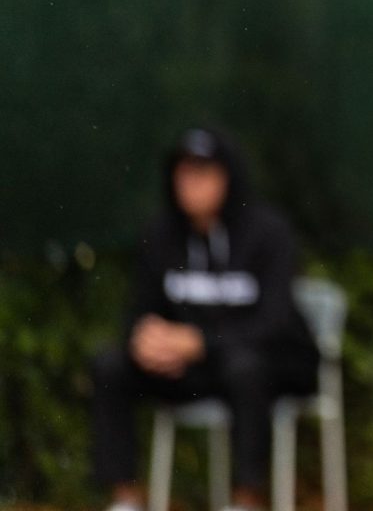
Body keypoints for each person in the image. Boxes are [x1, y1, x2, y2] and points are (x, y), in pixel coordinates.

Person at [90, 128, 319, 511]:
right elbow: (138, 311)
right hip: (186, 372)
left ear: (228, 177)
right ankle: (124, 498)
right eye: (184, 173)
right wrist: (147, 339)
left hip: (259, 370)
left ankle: (245, 499)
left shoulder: (269, 233)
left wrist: (200, 342)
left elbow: (276, 323)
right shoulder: (159, 234)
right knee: (110, 365)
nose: (191, 184)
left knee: (246, 368)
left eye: (203, 173)